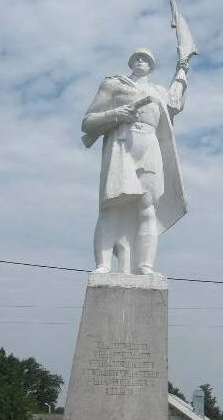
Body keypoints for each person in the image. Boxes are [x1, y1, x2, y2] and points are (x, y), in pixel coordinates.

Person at [81, 47, 188, 274]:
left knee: (147, 208)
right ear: (130, 62)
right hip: (121, 144)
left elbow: (175, 102)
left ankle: (144, 266)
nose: (141, 61)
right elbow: (88, 122)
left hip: (149, 147)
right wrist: (118, 114)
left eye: (146, 58)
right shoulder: (114, 84)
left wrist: (183, 67)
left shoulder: (158, 91)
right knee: (110, 206)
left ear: (152, 65)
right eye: (137, 57)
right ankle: (103, 265)